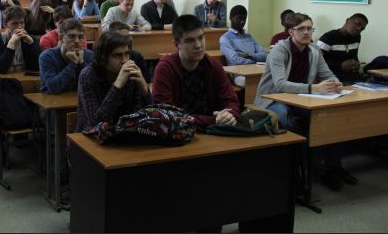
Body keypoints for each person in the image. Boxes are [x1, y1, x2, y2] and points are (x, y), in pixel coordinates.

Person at [254, 13, 353, 191]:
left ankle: (333, 167)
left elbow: (327, 74)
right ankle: (304, 168)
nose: (307, 32)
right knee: (285, 116)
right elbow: (280, 84)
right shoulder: (279, 50)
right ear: (291, 32)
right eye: (301, 29)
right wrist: (313, 88)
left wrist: (335, 83)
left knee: (332, 116)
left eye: (309, 28)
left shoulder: (314, 51)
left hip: (300, 98)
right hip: (271, 98)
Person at [152, 15, 240, 129]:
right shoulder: (165, 69)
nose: (198, 45)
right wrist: (213, 121)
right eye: (190, 41)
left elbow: (231, 101)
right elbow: (166, 114)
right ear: (176, 45)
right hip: (179, 133)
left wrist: (229, 115)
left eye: (201, 38)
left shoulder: (213, 65)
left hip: (212, 132)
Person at [76, 32, 150, 132]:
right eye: (117, 55)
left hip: (124, 133)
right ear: (103, 58)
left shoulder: (131, 75)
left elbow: (147, 117)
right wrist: (118, 85)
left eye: (126, 54)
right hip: (91, 136)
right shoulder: (88, 75)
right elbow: (96, 123)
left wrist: (144, 90)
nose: (124, 61)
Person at [39, 18, 93, 94]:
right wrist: (73, 63)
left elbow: (93, 85)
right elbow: (54, 87)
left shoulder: (89, 55)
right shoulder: (47, 56)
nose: (77, 41)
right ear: (61, 38)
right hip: (51, 99)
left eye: (80, 37)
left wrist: (81, 63)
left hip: (76, 99)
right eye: (71, 37)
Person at [317, 13, 368, 84]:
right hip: (333, 78)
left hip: (352, 77)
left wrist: (356, 64)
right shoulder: (328, 37)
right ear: (347, 20)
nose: (359, 29)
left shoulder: (357, 37)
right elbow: (316, 63)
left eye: (362, 28)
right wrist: (340, 66)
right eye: (357, 24)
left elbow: (353, 56)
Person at [0, 6, 40, 74]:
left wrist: (31, 44)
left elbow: (37, 67)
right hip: (4, 79)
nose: (20, 27)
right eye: (15, 23)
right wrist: (12, 43)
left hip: (24, 77)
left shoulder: (31, 39)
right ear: (5, 24)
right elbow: (1, 68)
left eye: (22, 23)